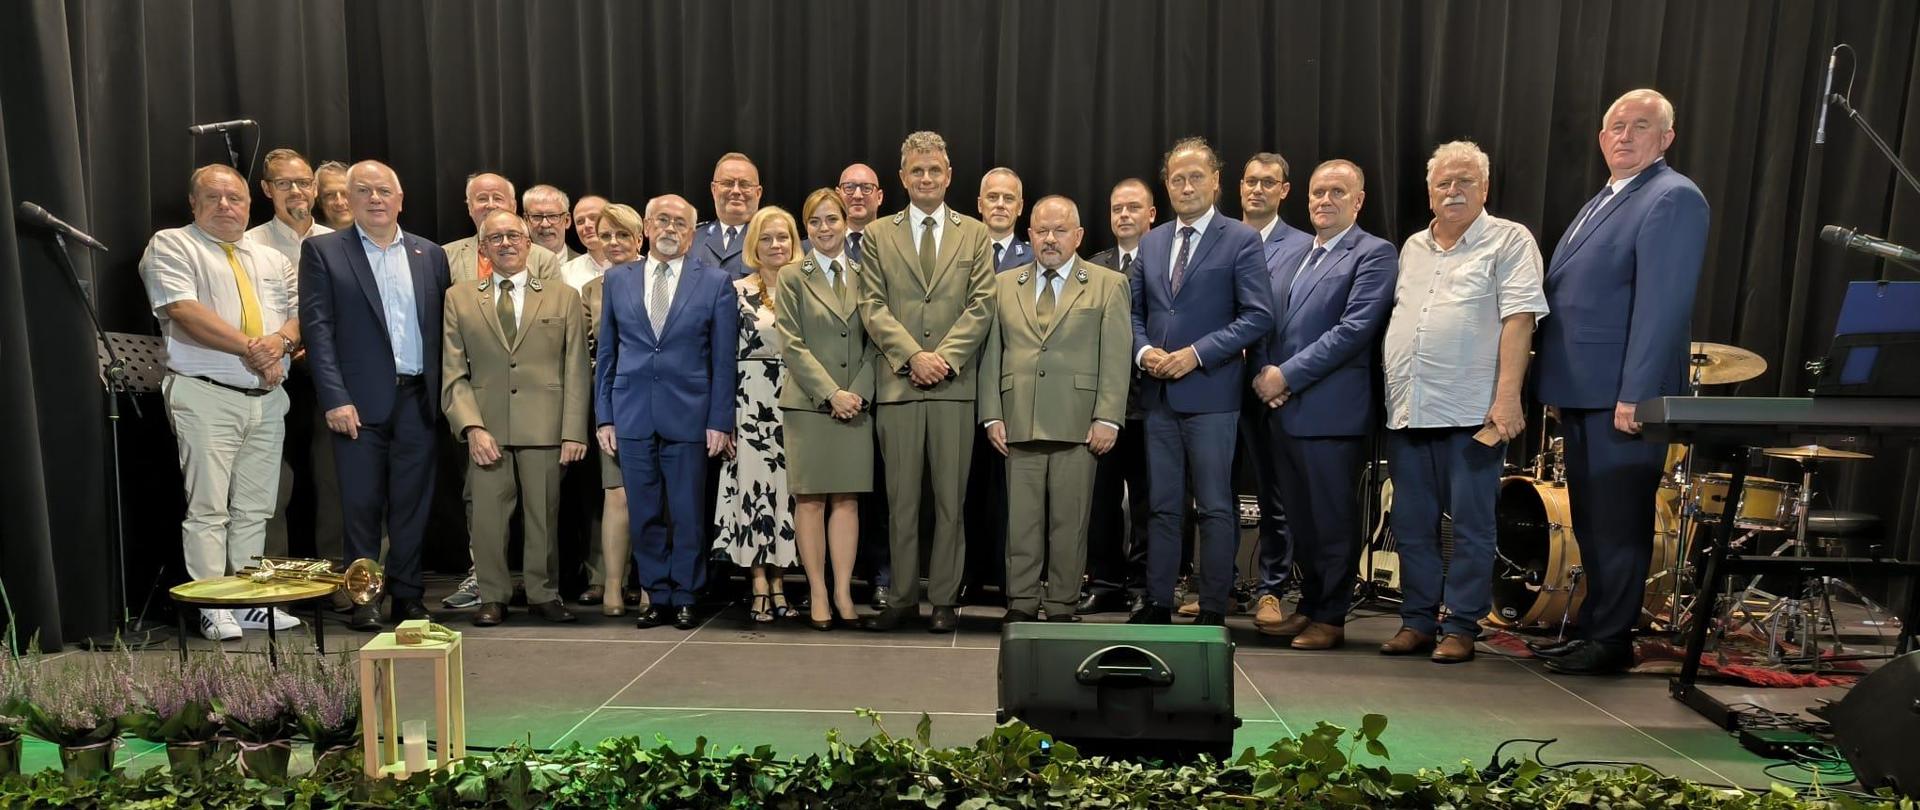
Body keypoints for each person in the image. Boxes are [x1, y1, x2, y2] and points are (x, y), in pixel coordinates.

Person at [1528, 89, 1709, 676]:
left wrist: (1637, 393)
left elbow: (1662, 306)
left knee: (1620, 521)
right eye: (1615, 126)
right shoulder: (1605, 198)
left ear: (1666, 138)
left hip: (1623, 396)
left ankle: (1610, 641)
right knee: (1592, 520)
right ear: (1601, 137)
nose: (1625, 136)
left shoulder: (1673, 197)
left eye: (1640, 126)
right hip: (1584, 391)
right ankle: (1594, 628)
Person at [1380, 142, 1549, 663]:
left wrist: (1507, 398)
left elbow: (1519, 319)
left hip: (1473, 412)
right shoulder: (1412, 246)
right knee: (1411, 523)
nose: (1453, 191)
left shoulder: (1509, 240)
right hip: (1409, 408)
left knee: (1471, 525)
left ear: (1485, 189)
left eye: (1465, 182)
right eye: (1443, 184)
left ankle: (1461, 626)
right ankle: (1417, 621)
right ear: (1429, 193)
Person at [140, 164, 303, 641]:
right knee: (210, 507)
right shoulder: (173, 244)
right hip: (206, 393)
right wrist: (254, 349)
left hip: (268, 397)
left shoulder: (272, 256)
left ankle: (249, 600)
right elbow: (182, 311)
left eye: (235, 198)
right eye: (213, 198)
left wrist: (280, 345)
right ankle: (213, 601)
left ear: (251, 203)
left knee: (256, 508)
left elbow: (299, 314)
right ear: (194, 204)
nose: (226, 205)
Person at [1251, 159, 1397, 650]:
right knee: (1302, 520)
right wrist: (1268, 376)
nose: (1324, 201)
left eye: (1337, 192)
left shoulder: (1374, 254)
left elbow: (1353, 331)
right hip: (1284, 410)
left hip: (1331, 412)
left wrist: (1284, 375)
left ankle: (1331, 617)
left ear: (1358, 201)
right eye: (1317, 192)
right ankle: (1310, 606)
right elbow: (1268, 324)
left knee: (1333, 521)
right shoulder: (1295, 255)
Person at [1128, 137, 1273, 626]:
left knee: (1214, 507)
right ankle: (1158, 602)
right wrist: (1145, 351)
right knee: (1163, 508)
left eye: (1195, 177)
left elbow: (1257, 316)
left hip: (1212, 394)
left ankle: (1213, 606)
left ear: (1215, 181)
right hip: (1159, 396)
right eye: (1176, 178)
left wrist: (1195, 355)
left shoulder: (1241, 239)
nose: (1185, 186)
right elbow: (1134, 313)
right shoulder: (1151, 241)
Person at [300, 160, 449, 631]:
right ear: (347, 199)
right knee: (361, 505)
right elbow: (317, 332)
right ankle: (364, 597)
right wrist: (334, 398)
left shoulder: (430, 254)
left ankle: (407, 597)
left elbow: (443, 331)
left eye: (384, 190)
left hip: (418, 400)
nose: (375, 198)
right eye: (363, 190)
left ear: (401, 199)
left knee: (412, 504)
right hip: (356, 406)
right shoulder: (324, 252)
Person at [856, 130, 995, 633]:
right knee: (900, 500)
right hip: (898, 385)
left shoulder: (974, 233)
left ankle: (942, 598)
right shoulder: (878, 234)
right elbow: (870, 305)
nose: (926, 178)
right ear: (902, 178)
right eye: (917, 171)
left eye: (935, 170)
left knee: (950, 499)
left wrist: (945, 359)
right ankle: (898, 598)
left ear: (949, 175)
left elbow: (982, 305)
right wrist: (913, 355)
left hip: (954, 387)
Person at [977, 196, 1132, 622]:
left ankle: (1062, 604)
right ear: (1029, 235)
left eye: (1060, 230)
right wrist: (992, 413)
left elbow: (1116, 358)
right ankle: (1022, 602)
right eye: (1042, 230)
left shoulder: (1108, 284)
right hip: (1018, 420)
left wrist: (1107, 417)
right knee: (1021, 523)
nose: (1050, 239)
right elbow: (992, 353)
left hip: (1079, 424)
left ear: (1078, 236)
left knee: (1070, 523)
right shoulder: (1003, 283)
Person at [597, 194, 738, 631]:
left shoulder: (714, 282)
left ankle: (686, 595)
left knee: (687, 511)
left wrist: (720, 420)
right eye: (662, 220)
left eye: (680, 222)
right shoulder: (618, 280)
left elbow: (723, 359)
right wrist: (604, 415)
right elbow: (607, 352)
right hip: (632, 412)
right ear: (646, 226)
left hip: (691, 415)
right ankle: (656, 594)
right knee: (645, 511)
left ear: (692, 233)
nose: (670, 228)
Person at [442, 211, 591, 626]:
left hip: (545, 428)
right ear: (483, 248)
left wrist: (573, 430)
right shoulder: (460, 297)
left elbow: (576, 368)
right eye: (495, 238)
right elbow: (453, 371)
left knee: (544, 515)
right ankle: (493, 596)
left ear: (529, 244)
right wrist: (471, 427)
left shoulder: (562, 296)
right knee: (488, 519)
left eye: (513, 236)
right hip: (486, 428)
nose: (505, 243)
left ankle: (544, 593)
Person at [776, 189, 875, 630]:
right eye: (815, 222)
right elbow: (792, 345)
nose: (824, 228)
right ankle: (817, 590)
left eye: (831, 219)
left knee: (848, 500)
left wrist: (856, 393)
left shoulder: (865, 273)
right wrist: (830, 393)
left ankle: (842, 590)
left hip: (856, 403)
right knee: (812, 500)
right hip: (811, 405)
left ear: (845, 221)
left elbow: (878, 342)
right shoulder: (793, 276)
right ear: (806, 228)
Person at [245, 148, 334, 561]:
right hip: (269, 375)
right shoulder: (249, 244)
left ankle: (344, 584)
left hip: (328, 380)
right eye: (284, 183)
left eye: (303, 182)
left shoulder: (339, 243)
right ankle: (273, 586)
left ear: (315, 188)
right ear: (266, 189)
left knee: (336, 483)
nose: (296, 191)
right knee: (271, 488)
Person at [714, 206, 799, 621]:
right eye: (766, 238)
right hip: (749, 403)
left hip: (797, 401)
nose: (775, 245)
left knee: (787, 492)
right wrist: (722, 418)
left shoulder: (807, 286)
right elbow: (722, 358)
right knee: (753, 492)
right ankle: (760, 582)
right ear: (754, 245)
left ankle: (783, 581)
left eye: (782, 237)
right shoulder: (734, 290)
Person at [1237, 152, 1311, 634]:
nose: (1257, 189)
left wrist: (1275, 375)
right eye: (1250, 181)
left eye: (1269, 182)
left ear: (1285, 190)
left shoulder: (1304, 247)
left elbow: (1296, 322)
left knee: (1275, 496)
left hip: (1272, 388)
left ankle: (1272, 589)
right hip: (1216, 388)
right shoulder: (1218, 239)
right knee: (1211, 495)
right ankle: (1212, 584)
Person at [1082, 178, 1156, 615]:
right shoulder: (1094, 266)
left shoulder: (1168, 262)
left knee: (1151, 502)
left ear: (1151, 214)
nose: (1124, 215)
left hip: (1152, 405)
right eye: (1116, 209)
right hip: (1103, 407)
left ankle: (1146, 582)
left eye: (1133, 208)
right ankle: (1105, 581)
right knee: (1101, 502)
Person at [581, 203, 646, 616]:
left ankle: (652, 583)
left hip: (661, 400)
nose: (614, 243)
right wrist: (604, 413)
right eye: (606, 236)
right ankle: (612, 587)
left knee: (657, 498)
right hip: (616, 400)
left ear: (639, 238)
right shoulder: (592, 290)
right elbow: (596, 355)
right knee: (617, 494)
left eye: (622, 235)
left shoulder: (663, 278)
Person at [443, 173, 562, 285]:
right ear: (470, 207)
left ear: (513, 206)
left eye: (498, 198)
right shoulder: (446, 256)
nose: (490, 205)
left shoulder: (544, 259)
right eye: (482, 199)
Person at [690, 153, 763, 277]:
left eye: (745, 184)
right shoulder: (691, 238)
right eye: (727, 183)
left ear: (758, 193)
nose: (736, 191)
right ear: (714, 189)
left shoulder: (774, 240)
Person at [980, 167, 1032, 272]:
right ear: (980, 205)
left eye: (1009, 198)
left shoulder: (1033, 258)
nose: (1000, 204)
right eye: (992, 197)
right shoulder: (962, 251)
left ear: (1020, 207)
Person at [559, 195, 612, 294]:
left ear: (612, 220)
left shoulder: (638, 267)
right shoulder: (565, 273)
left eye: (594, 218)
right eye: (580, 221)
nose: (587, 225)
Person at [837, 163, 885, 264]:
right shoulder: (812, 246)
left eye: (866, 188)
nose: (857, 195)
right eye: (849, 187)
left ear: (879, 197)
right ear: (837, 195)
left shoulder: (897, 245)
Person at [523, 184, 576, 263]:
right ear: (525, 220)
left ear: (567, 220)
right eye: (537, 216)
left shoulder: (588, 270)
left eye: (552, 216)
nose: (545, 224)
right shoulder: (508, 267)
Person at [314, 161, 355, 231]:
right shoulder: (310, 240)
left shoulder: (377, 236)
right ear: (319, 201)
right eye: (329, 195)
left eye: (345, 193)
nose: (340, 203)